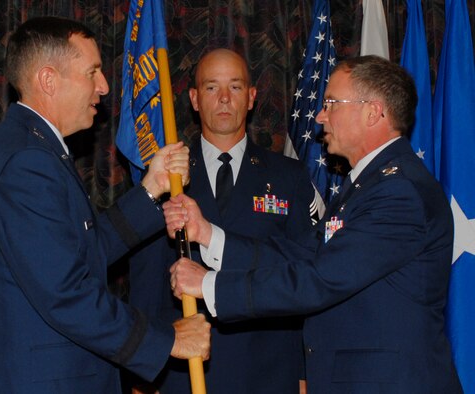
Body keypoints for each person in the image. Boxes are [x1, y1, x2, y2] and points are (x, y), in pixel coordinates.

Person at [166, 55, 463, 393]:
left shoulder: (398, 191)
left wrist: (209, 286)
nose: (321, 116)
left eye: (332, 103)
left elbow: (320, 279)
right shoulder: (367, 186)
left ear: (373, 112)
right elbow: (302, 256)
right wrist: (208, 234)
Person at [0, 16, 210, 394]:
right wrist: (168, 340)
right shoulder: (27, 163)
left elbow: (84, 252)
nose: (103, 86)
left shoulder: (36, 149)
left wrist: (151, 188)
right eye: (92, 72)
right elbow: (67, 293)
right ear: (48, 80)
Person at [128, 48, 320, 393]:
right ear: (194, 99)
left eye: (235, 87)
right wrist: (143, 371)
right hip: (184, 371)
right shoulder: (165, 177)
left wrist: (304, 370)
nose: (224, 99)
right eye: (211, 88)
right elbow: (145, 282)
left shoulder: (288, 176)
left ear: (251, 97)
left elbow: (304, 273)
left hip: (268, 368)